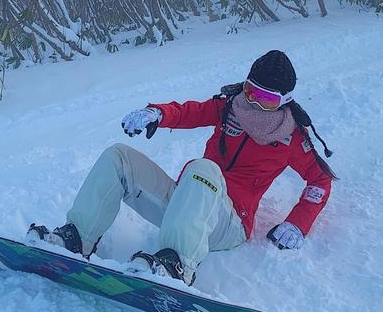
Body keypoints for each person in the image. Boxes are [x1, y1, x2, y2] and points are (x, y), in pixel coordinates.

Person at [29, 50, 336, 286]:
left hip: (229, 224)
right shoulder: (230, 107)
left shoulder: (291, 137)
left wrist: (297, 223)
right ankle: (77, 238)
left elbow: (320, 180)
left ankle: (176, 264)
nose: (254, 102)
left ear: (284, 101)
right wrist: (157, 114)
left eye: (266, 99)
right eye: (251, 91)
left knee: (202, 169)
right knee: (117, 156)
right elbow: (190, 111)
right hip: (186, 207)